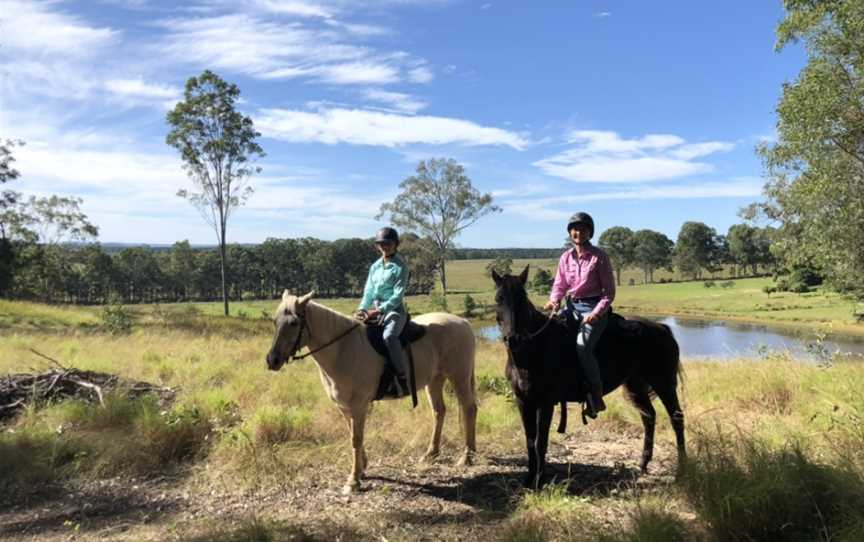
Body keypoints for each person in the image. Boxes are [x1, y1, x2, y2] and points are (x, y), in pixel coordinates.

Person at [543, 212, 616, 417]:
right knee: (551, 338)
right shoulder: (566, 257)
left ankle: (595, 395)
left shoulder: (599, 257)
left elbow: (608, 293)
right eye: (574, 229)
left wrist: (596, 313)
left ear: (590, 232)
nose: (578, 232)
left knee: (583, 347)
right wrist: (554, 300)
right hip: (571, 307)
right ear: (570, 232)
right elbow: (560, 284)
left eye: (582, 229)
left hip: (594, 307)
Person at [355, 227, 410, 397]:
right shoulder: (375, 267)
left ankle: (401, 378)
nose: (384, 246)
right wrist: (362, 308)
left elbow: (397, 296)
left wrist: (378, 311)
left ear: (396, 244)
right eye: (381, 243)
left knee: (389, 337)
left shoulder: (401, 267)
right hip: (374, 310)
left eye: (388, 243)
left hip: (394, 310)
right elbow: (369, 291)